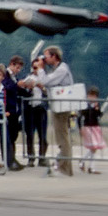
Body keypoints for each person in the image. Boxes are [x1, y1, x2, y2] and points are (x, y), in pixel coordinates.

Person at [24, 46, 76, 176]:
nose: (44, 59)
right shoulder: (58, 69)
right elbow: (50, 87)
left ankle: (64, 169)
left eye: (46, 56)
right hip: (59, 106)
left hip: (63, 108)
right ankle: (65, 168)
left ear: (54, 56)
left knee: (62, 139)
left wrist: (41, 69)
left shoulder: (62, 69)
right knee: (62, 138)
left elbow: (45, 81)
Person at [22, 56, 50, 166]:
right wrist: (28, 87)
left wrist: (41, 86)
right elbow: (23, 90)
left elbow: (49, 92)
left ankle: (42, 157)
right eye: (34, 67)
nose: (35, 69)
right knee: (30, 134)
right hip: (30, 108)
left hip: (41, 108)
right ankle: (31, 157)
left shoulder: (46, 78)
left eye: (37, 67)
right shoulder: (28, 77)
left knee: (42, 134)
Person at [0, 56, 25, 171]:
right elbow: (5, 86)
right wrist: (16, 85)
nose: (17, 70)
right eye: (17, 67)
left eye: (19, 68)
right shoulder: (5, 74)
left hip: (15, 110)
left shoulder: (14, 77)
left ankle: (12, 158)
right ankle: (8, 160)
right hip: (8, 109)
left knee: (13, 136)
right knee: (7, 136)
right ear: (12, 64)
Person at [78, 88, 105, 174]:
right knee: (93, 147)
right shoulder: (85, 105)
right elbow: (80, 117)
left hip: (95, 127)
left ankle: (90, 166)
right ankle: (83, 161)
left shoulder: (97, 105)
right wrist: (80, 128)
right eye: (90, 95)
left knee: (95, 147)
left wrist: (97, 109)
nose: (92, 98)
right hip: (87, 127)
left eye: (94, 96)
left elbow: (99, 115)